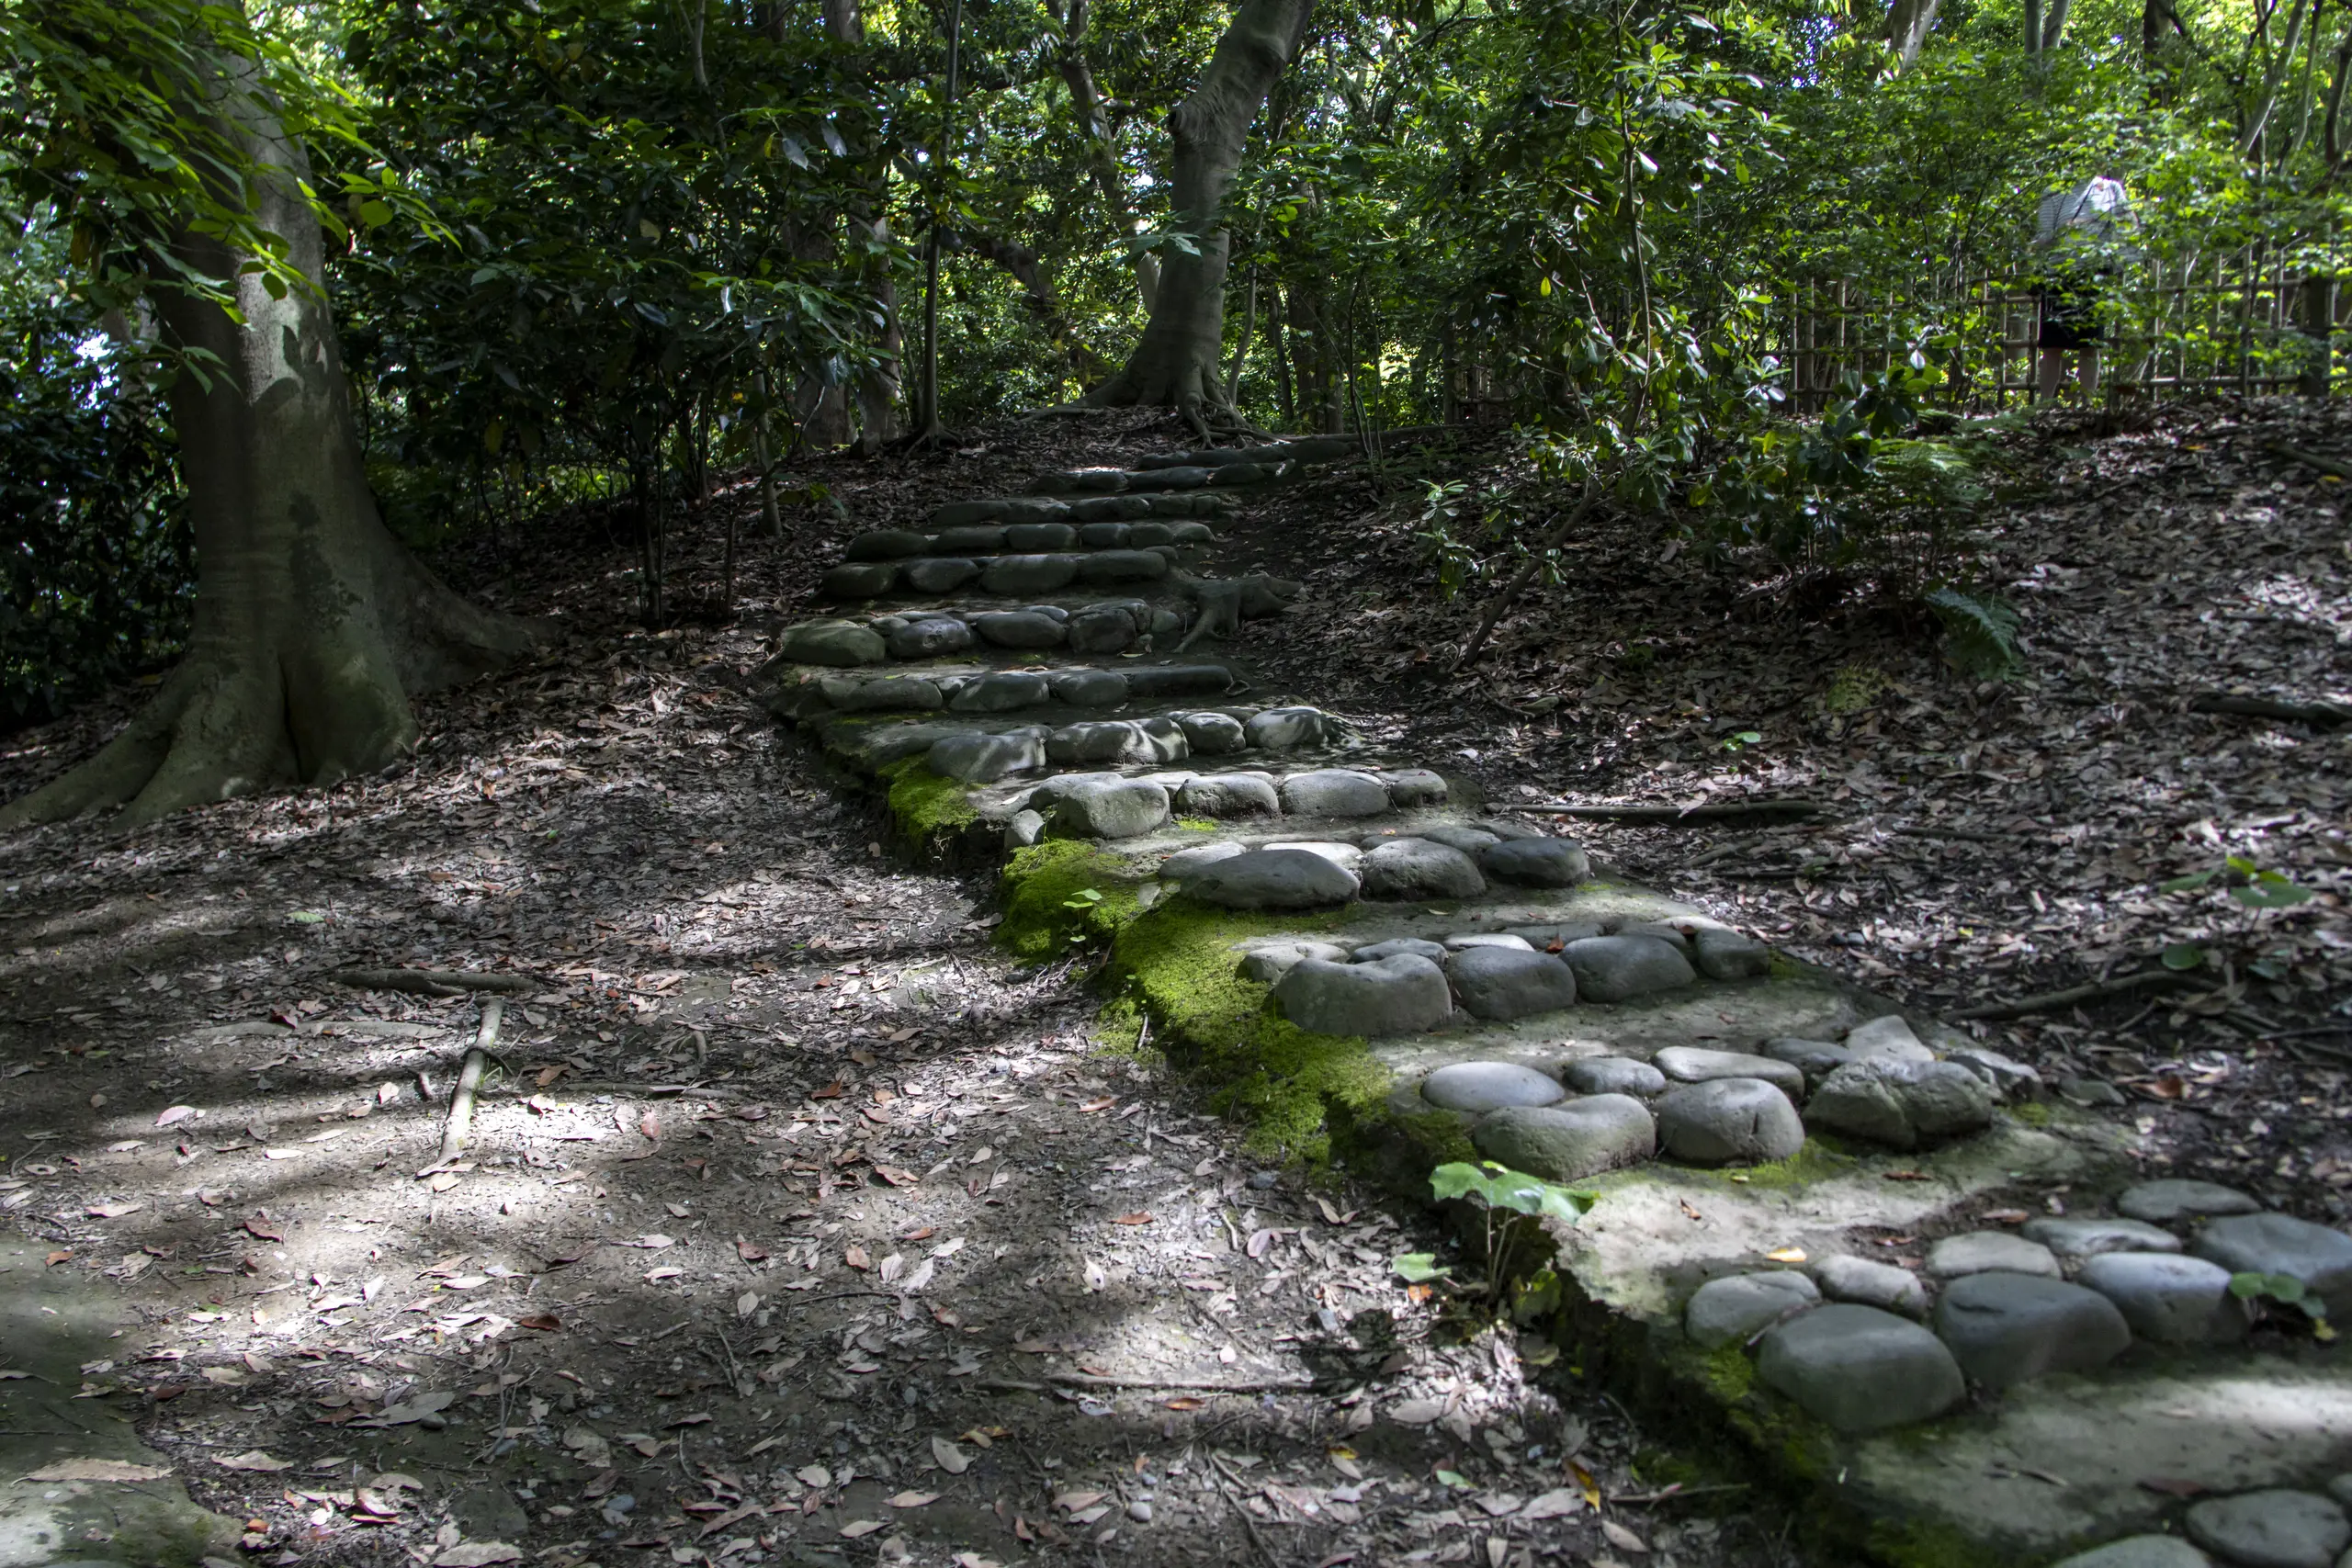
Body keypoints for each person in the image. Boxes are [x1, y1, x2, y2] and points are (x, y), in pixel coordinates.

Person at [2032, 175, 2134, 402]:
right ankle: (2044, 405)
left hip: (2095, 274)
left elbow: (2128, 226)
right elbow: (2045, 234)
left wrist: (2119, 263)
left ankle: (2088, 404)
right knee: (2051, 346)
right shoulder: (2054, 190)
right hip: (2059, 274)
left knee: (2091, 344)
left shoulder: (2111, 189)